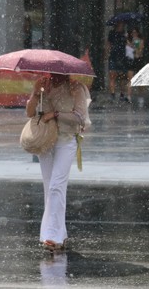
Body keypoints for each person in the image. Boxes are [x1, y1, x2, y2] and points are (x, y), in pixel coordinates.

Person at [26, 73, 91, 252]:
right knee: (50, 187)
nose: (54, 76)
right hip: (45, 140)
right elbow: (30, 112)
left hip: (66, 139)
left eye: (58, 73)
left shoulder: (76, 88)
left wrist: (54, 114)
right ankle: (57, 235)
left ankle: (51, 236)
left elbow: (80, 117)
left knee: (56, 185)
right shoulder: (42, 86)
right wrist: (35, 92)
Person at [106, 21, 129, 102]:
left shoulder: (125, 34)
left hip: (122, 57)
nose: (121, 25)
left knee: (123, 77)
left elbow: (128, 44)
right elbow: (108, 44)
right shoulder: (112, 33)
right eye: (120, 24)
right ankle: (113, 94)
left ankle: (122, 94)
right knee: (112, 75)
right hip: (114, 56)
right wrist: (107, 53)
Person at [124, 27, 145, 103]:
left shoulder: (140, 41)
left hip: (138, 60)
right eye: (132, 33)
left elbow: (139, 51)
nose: (134, 34)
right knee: (130, 79)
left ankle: (141, 95)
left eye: (135, 32)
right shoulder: (128, 41)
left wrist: (135, 46)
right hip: (131, 60)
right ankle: (129, 96)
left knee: (140, 79)